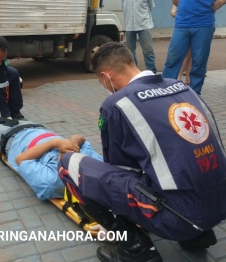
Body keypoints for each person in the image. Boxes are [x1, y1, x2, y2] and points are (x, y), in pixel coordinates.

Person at [58, 42, 226, 262]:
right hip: (219, 207)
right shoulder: (184, 88)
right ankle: (198, 234)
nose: (105, 88)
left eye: (102, 83)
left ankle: (135, 249)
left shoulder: (117, 103)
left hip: (179, 218)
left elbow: (118, 168)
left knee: (69, 164)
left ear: (106, 76)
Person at [0, 100, 103, 200]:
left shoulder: (52, 182)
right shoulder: (96, 168)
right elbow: (82, 139)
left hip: (13, 138)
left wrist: (56, 142)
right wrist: (72, 142)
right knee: (12, 120)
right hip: (37, 129)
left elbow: (21, 159)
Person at [162, 0, 226, 95]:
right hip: (182, 23)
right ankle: (165, 91)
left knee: (199, 61)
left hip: (204, 23)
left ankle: (195, 93)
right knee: (173, 59)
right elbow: (175, 1)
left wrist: (213, 5)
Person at [122, 0, 157, 74]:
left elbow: (150, 7)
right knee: (130, 52)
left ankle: (152, 73)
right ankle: (134, 73)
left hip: (144, 24)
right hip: (129, 25)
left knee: (148, 51)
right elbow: (123, 7)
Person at [170, 4, 192, 85]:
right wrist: (183, 16)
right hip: (183, 27)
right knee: (185, 55)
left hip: (196, 27)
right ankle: (178, 76)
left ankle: (187, 77)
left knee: (191, 55)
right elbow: (173, 12)